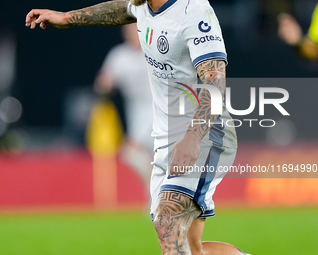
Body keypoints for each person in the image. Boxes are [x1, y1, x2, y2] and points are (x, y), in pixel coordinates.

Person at [26, 1, 248, 254]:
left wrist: (193, 137)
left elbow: (215, 81)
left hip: (203, 134)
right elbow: (122, 10)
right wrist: (66, 18)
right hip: (166, 140)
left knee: (167, 221)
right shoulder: (141, 5)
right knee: (191, 248)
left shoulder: (193, 10)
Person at [95, 23, 154, 186]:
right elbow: (104, 80)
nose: (133, 33)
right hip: (135, 112)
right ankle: (156, 193)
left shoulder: (156, 51)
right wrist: (104, 85)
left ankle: (159, 188)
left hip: (159, 108)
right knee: (136, 155)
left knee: (131, 150)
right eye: (129, 30)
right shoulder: (119, 56)